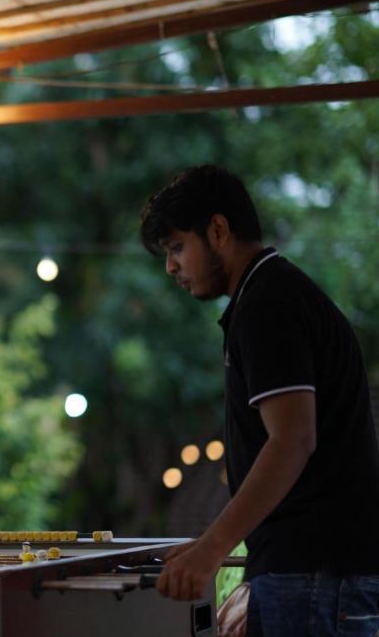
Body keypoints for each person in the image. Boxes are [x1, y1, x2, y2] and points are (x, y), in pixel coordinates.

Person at [139, 164, 379, 636]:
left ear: (218, 230)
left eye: (176, 247)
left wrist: (212, 550)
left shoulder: (267, 304)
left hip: (316, 574)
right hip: (319, 572)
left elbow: (293, 440)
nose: (170, 267)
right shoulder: (271, 294)